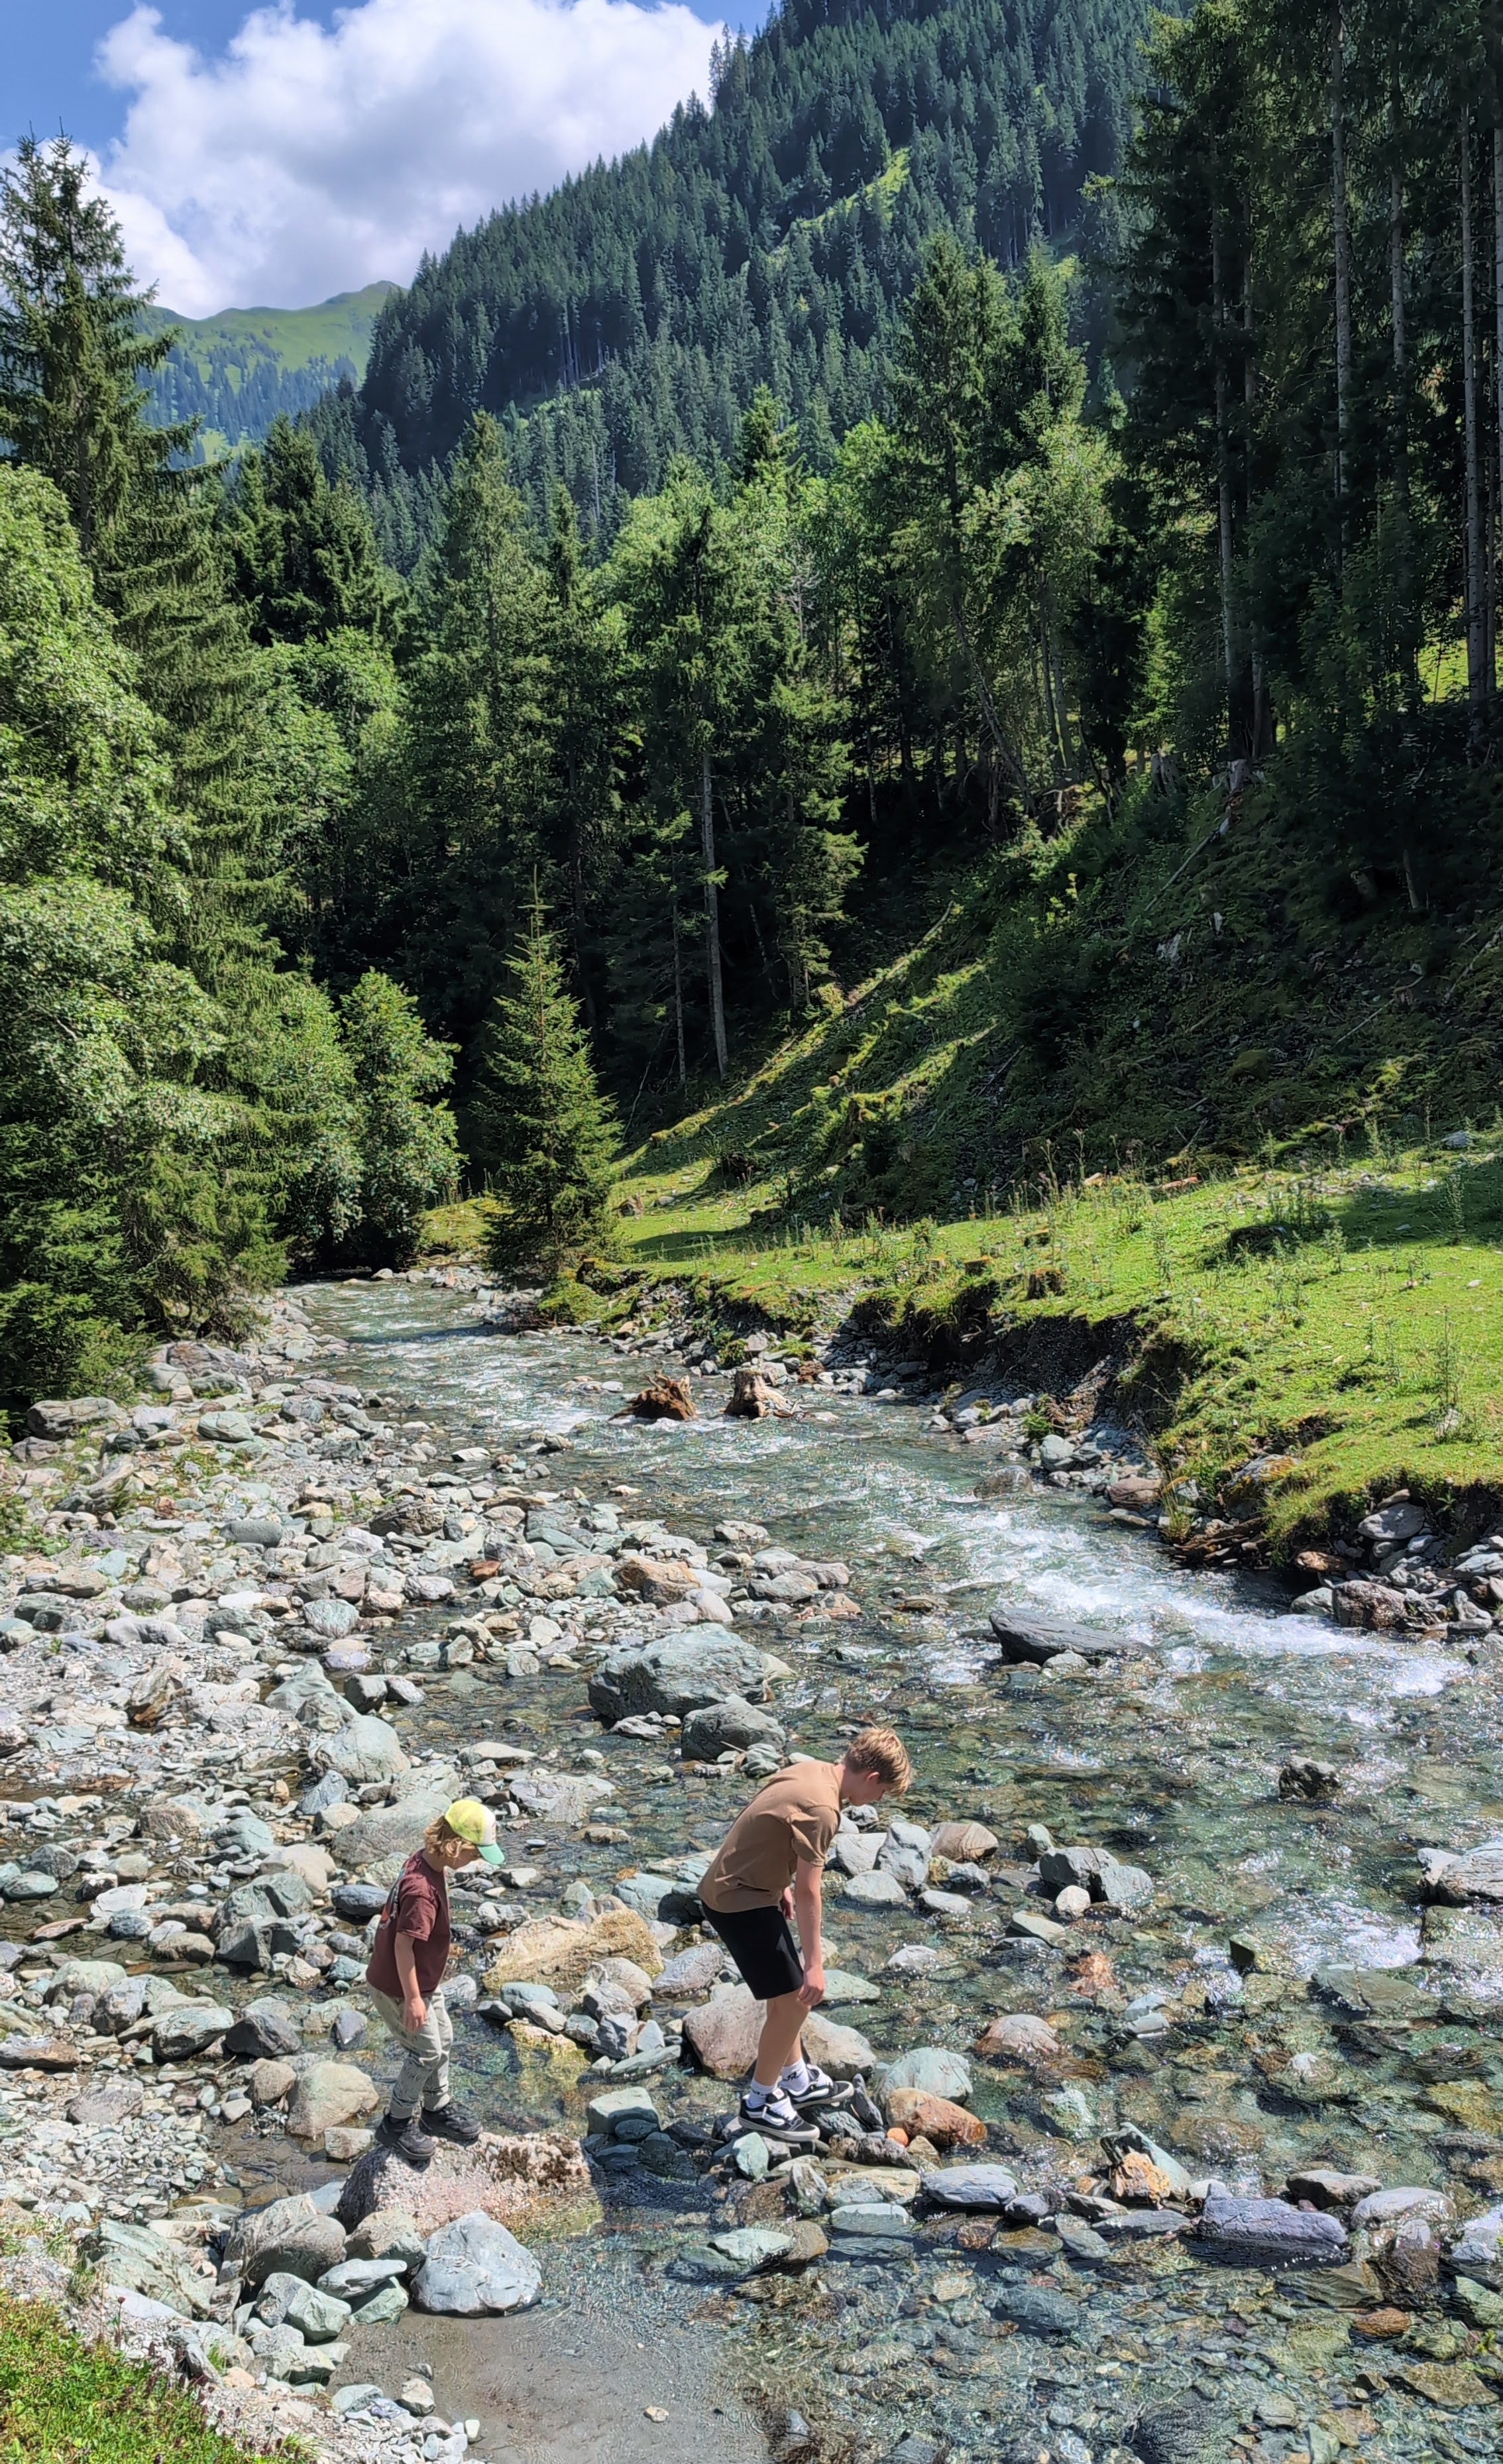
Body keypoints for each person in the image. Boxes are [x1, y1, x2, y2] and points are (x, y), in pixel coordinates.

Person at [696, 1726, 913, 2144]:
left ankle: (795, 2078)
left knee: (786, 1996)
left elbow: (765, 1826)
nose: (879, 1801)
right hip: (739, 1902)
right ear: (871, 1779)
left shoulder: (813, 1770)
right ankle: (759, 2102)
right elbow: (812, 1891)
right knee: (798, 2000)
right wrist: (816, 1964)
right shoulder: (824, 1811)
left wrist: (779, 1886)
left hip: (742, 1889)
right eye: (883, 1793)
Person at [364, 1797, 503, 2166]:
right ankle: (396, 2122)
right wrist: (412, 1999)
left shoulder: (425, 1860)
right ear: (456, 1845)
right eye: (474, 1856)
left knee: (445, 2040)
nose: (475, 1863)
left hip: (423, 1983)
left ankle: (436, 2109)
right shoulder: (422, 1893)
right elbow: (403, 1946)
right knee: (426, 2051)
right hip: (400, 1987)